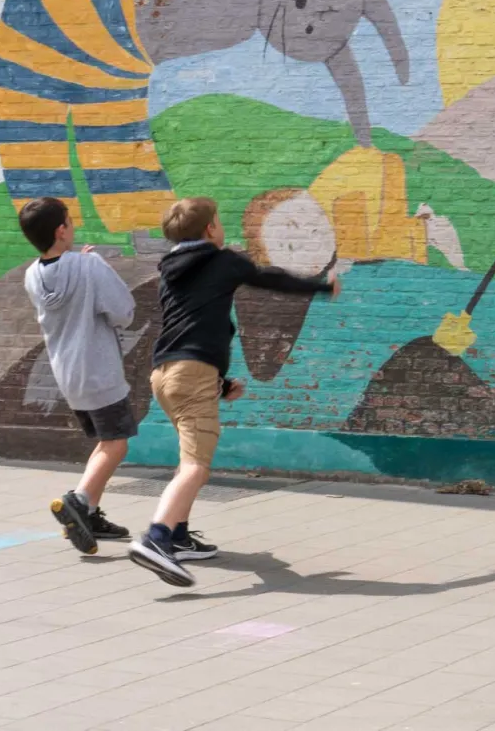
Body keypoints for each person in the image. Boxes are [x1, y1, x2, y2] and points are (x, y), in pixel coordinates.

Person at [128, 197, 339, 587]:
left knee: (188, 458)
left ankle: (178, 536)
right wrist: (321, 285)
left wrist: (220, 383)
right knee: (196, 467)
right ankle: (156, 539)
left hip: (164, 373)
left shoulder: (169, 269)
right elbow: (272, 279)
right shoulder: (225, 260)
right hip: (190, 374)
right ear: (210, 229)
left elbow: (192, 326)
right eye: (220, 222)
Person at [17, 197, 138, 556]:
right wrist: (94, 264)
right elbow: (124, 312)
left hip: (68, 374)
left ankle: (90, 515)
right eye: (69, 221)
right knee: (117, 442)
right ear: (61, 230)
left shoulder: (32, 275)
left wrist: (85, 263)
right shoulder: (89, 265)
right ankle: (79, 501)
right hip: (99, 371)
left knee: (103, 442)